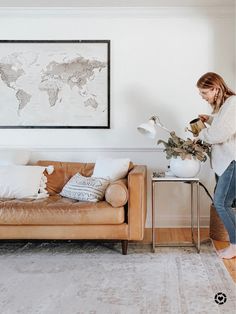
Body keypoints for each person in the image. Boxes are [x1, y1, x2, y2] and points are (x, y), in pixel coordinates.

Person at [196, 72, 236, 259]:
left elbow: (220, 134)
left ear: (216, 89)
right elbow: (225, 124)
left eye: (204, 92)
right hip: (225, 161)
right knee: (225, 203)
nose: (202, 96)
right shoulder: (226, 107)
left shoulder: (233, 104)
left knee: (222, 203)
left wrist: (201, 135)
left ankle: (235, 247)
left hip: (232, 161)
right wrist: (210, 119)